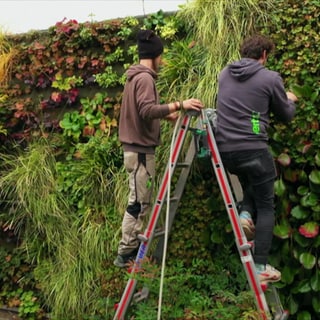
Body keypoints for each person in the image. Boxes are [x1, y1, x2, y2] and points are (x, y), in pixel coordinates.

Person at [114, 29, 203, 268]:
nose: (162, 61)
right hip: (140, 151)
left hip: (138, 149)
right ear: (153, 56)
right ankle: (126, 255)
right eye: (161, 56)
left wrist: (166, 116)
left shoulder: (135, 77)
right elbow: (145, 110)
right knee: (138, 203)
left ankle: (129, 252)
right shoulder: (144, 78)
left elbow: (143, 112)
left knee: (141, 200)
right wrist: (179, 104)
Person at [215, 34, 297, 284]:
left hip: (226, 151)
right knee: (266, 203)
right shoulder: (270, 77)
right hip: (253, 148)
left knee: (254, 180)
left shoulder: (223, 74)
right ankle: (260, 265)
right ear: (264, 55)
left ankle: (244, 214)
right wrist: (290, 100)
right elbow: (285, 115)